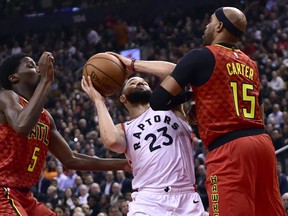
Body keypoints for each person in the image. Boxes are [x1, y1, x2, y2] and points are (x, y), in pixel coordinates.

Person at [110, 6, 285, 216]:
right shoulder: (251, 64)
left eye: (210, 21)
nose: (206, 26)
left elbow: (157, 100)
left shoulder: (201, 56)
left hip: (230, 149)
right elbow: (260, 109)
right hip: (262, 144)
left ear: (219, 26)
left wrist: (134, 65)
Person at [0, 52, 130, 216]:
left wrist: (123, 164)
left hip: (25, 196)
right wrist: (46, 80)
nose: (39, 69)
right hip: (3, 191)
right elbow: (21, 125)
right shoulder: (6, 97)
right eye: (31, 65)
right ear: (14, 78)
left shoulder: (45, 117)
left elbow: (71, 159)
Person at [81, 75, 205, 215]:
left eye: (143, 82)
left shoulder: (173, 109)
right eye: (132, 82)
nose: (139, 81)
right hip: (148, 199)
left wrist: (133, 65)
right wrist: (99, 101)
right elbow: (112, 141)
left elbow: (173, 71)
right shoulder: (124, 128)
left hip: (186, 197)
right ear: (123, 98)